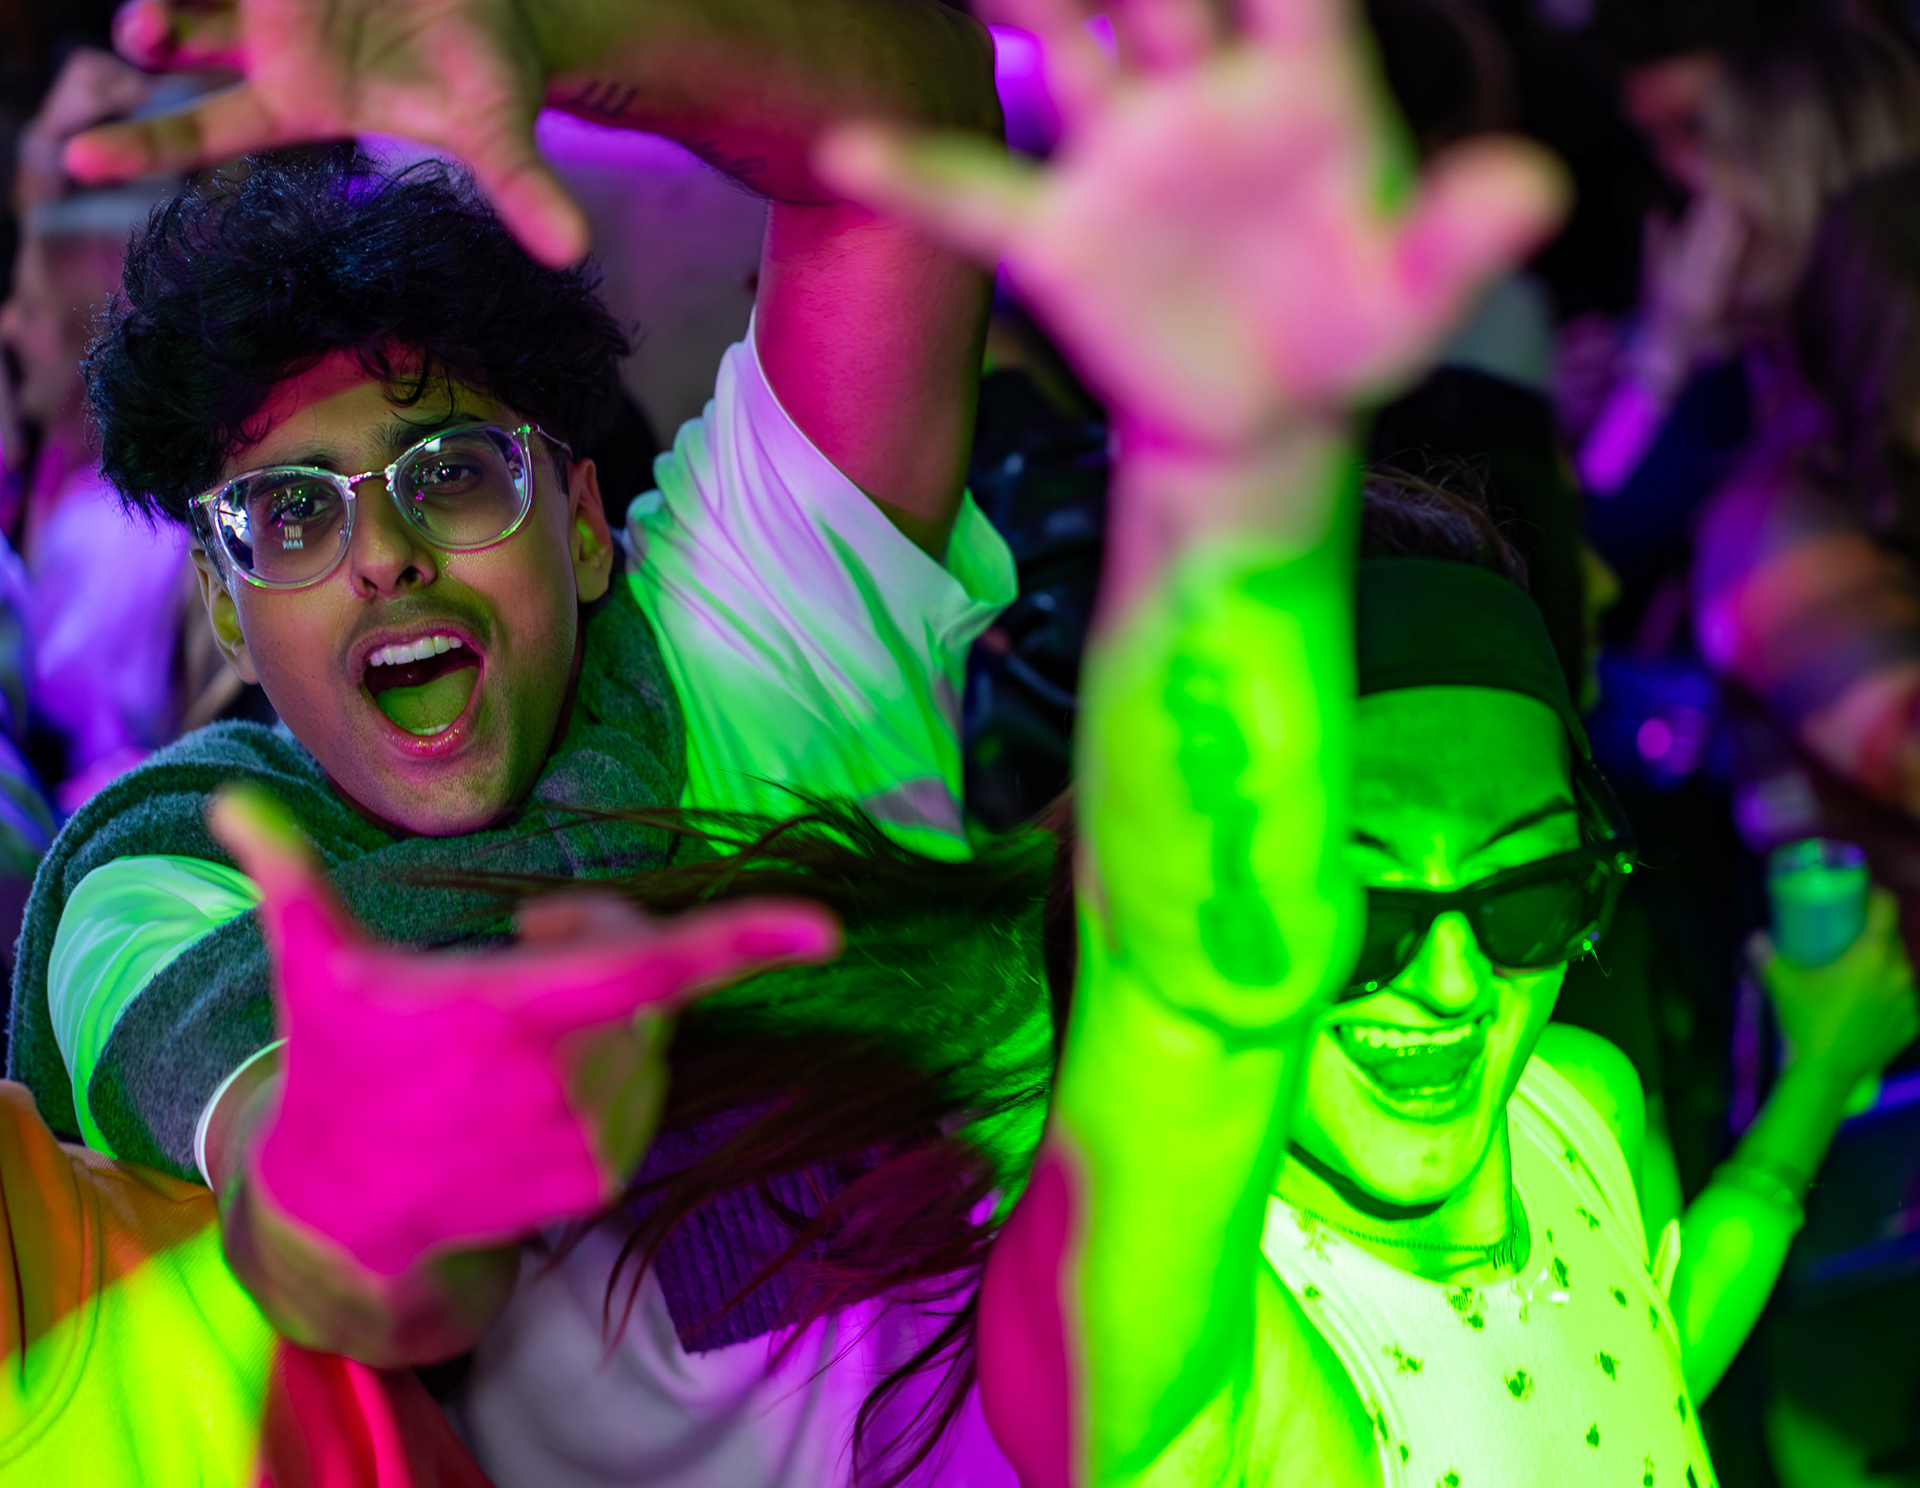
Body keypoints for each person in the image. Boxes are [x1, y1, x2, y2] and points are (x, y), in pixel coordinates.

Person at [812, 0, 1920, 1482]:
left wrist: (1812, 1083)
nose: (1455, 984)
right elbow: (1191, 994)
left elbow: (1637, 1348)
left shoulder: (1577, 1102)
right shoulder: (1219, 1350)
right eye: (1352, 910)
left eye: (1528, 895)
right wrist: (1222, 475)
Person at [5, 0, 1029, 1477]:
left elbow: (913, 133)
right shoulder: (171, 877)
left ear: (584, 526)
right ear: (228, 615)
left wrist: (558, 26)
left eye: (453, 473)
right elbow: (323, 1226)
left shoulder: (742, 652)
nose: (385, 556)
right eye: (291, 515)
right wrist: (395, 1174)